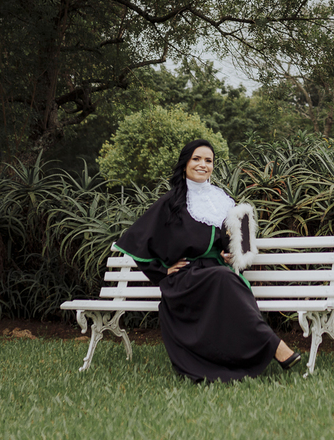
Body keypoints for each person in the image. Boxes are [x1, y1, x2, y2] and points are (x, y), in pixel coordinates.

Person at [114, 139, 302, 382]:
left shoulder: (225, 201)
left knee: (226, 277)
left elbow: (240, 247)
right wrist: (163, 271)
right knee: (223, 277)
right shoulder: (171, 202)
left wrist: (232, 253)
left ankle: (255, 351)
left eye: (209, 161)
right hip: (186, 280)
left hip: (218, 276)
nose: (203, 165)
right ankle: (276, 347)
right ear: (185, 164)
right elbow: (134, 241)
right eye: (196, 159)